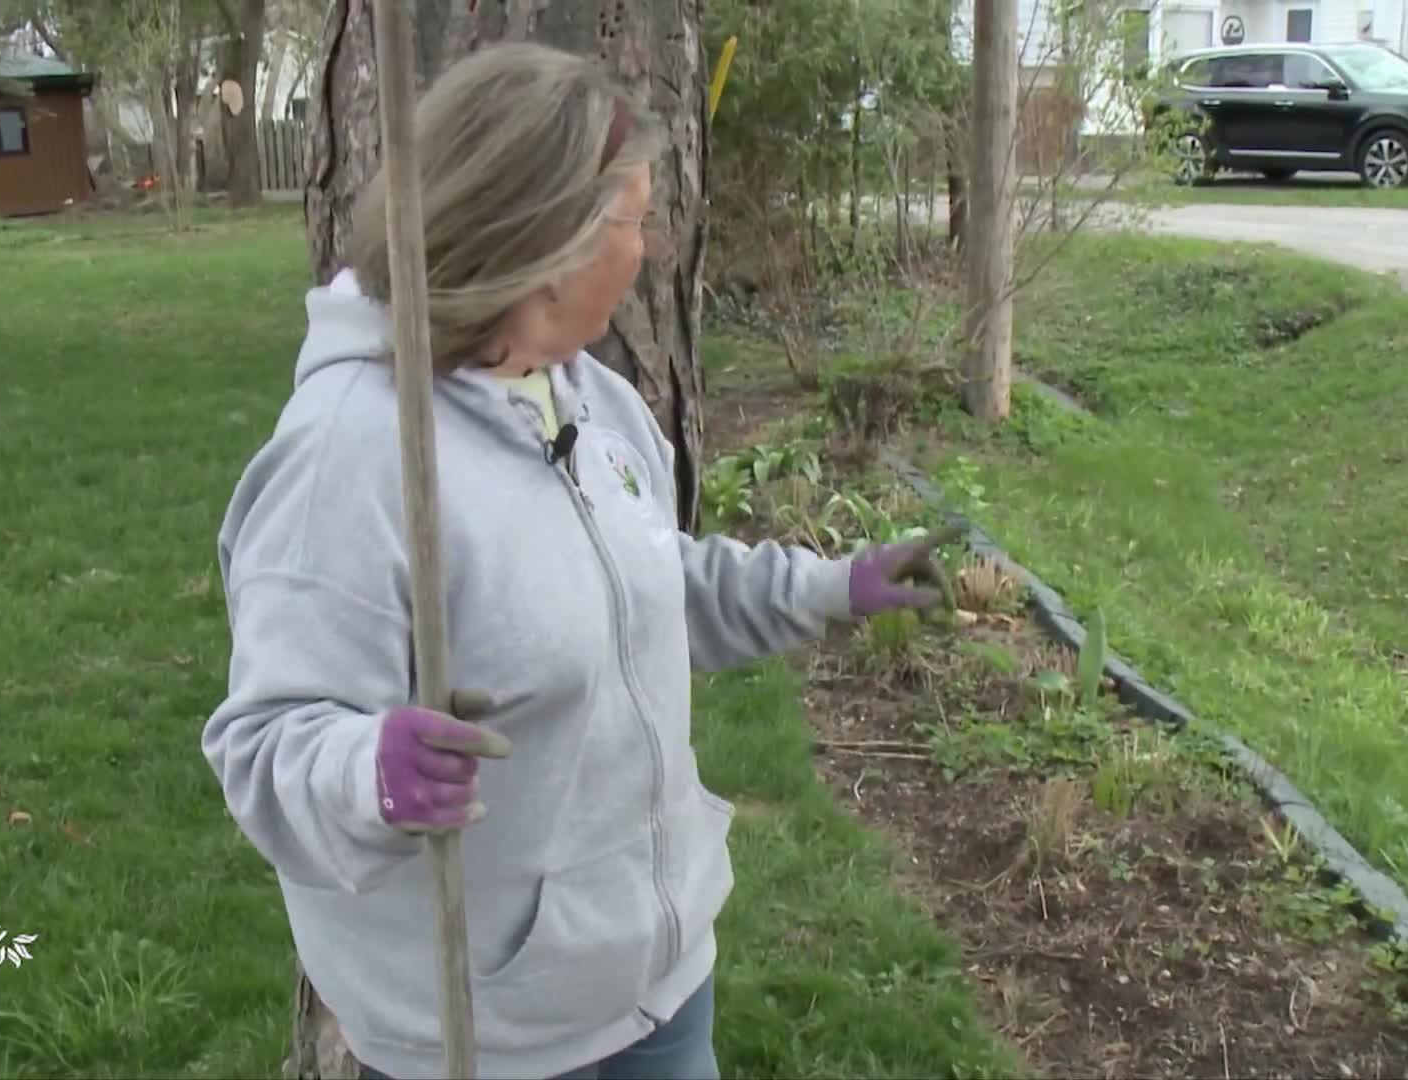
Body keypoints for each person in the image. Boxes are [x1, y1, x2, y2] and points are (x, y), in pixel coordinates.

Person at [201, 41, 959, 1080]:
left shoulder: (585, 401)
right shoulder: (352, 460)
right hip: (483, 1033)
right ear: (546, 241)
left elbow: (648, 590)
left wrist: (832, 587)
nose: (650, 250)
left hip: (656, 987)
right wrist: (366, 773)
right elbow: (264, 747)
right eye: (634, 219)